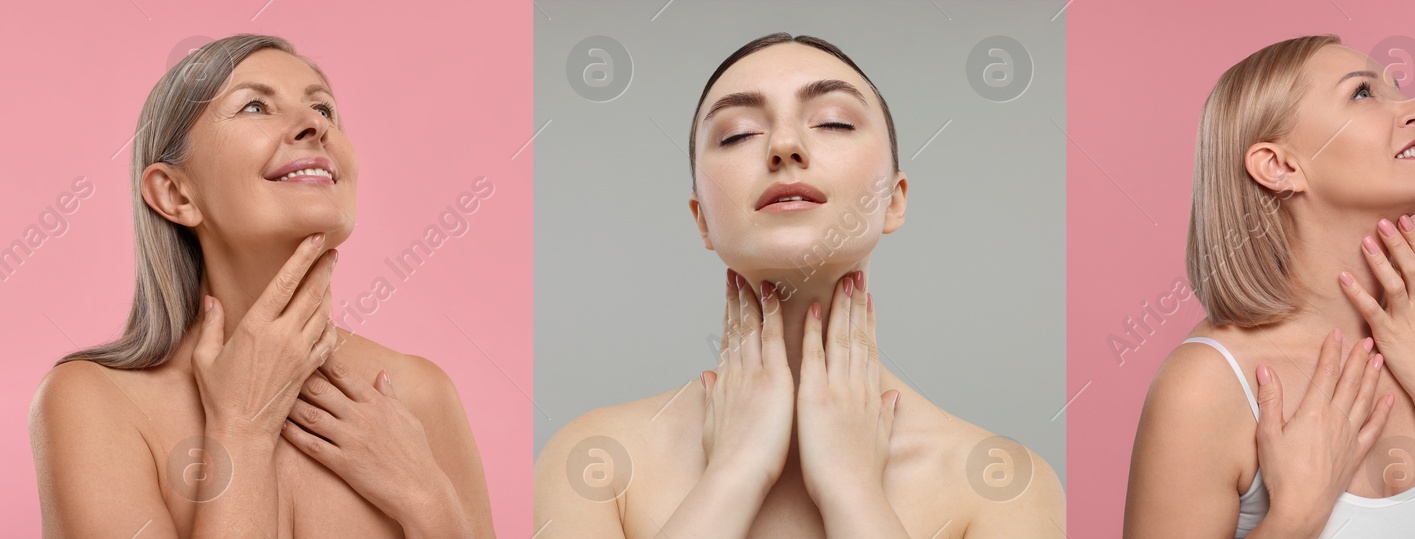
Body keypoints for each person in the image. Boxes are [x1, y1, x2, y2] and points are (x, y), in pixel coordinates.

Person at [533, 32, 1066, 538]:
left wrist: (851, 490)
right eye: (738, 133)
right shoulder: (596, 462)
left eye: (833, 122)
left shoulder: (1001, 485)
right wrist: (735, 474)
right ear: (702, 219)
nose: (784, 146)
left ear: (895, 198)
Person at [29, 34, 494, 537]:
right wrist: (243, 430)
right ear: (175, 193)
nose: (316, 124)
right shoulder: (94, 401)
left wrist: (428, 500)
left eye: (324, 108)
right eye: (255, 106)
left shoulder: (419, 395)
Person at [1124, 34, 1415, 538]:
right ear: (1280, 166)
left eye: (1396, 89)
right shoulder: (1205, 386)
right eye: (1362, 93)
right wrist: (1294, 516)